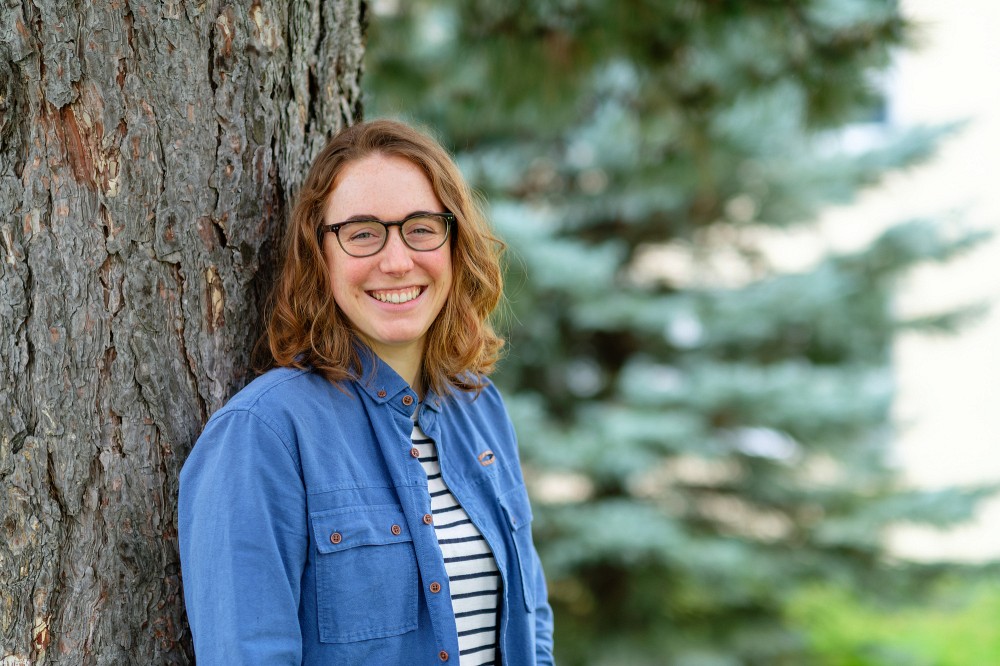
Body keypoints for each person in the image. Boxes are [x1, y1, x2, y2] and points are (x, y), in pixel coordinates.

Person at [178, 119, 555, 665]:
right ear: (320, 254)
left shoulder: (478, 405)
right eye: (362, 233)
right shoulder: (264, 434)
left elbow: (531, 625)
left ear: (454, 242)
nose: (397, 260)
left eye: (421, 228)